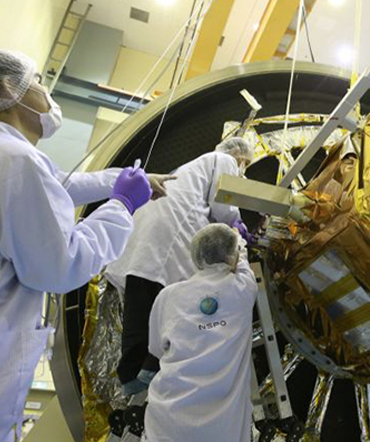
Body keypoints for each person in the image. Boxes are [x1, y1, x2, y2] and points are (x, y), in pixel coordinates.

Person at [0, 49, 163, 442]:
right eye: (39, 80)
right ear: (11, 88)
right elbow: (61, 266)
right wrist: (122, 205)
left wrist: (122, 181)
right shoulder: (11, 159)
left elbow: (58, 185)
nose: (46, 92)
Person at [104, 137, 256, 400]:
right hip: (169, 237)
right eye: (245, 167)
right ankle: (152, 368)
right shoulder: (225, 160)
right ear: (240, 158)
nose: (242, 171)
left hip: (143, 236)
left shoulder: (187, 169)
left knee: (140, 305)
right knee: (172, 308)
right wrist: (238, 227)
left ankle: (130, 376)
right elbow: (224, 201)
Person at [144, 224, 257, 442]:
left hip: (168, 419)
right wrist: (239, 239)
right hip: (222, 428)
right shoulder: (242, 288)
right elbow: (241, 260)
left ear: (196, 257)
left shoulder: (168, 297)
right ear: (231, 254)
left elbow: (156, 349)